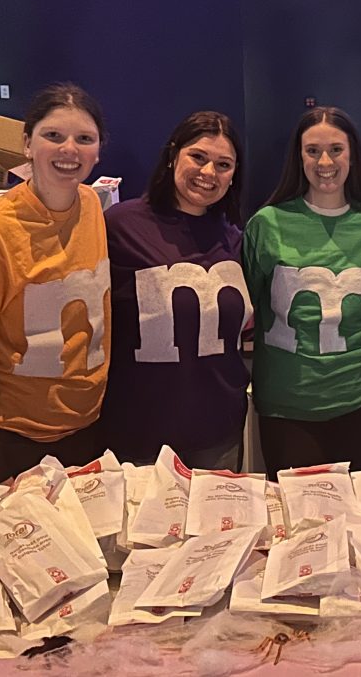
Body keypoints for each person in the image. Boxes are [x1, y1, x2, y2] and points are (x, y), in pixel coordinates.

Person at [0, 83, 110, 484]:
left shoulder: (92, 205)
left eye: (83, 139)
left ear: (98, 150)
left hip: (88, 429)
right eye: (53, 136)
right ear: (27, 144)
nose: (69, 149)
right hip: (15, 442)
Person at [102, 111, 252, 469]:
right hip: (139, 436)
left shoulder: (232, 237)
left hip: (219, 431)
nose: (208, 173)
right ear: (173, 157)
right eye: (198, 157)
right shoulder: (120, 225)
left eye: (223, 164)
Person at [242, 107, 361, 479]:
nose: (325, 161)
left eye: (336, 149)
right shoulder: (267, 224)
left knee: (351, 517)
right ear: (298, 156)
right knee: (299, 525)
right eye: (312, 150)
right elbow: (247, 307)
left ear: (352, 154)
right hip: (287, 404)